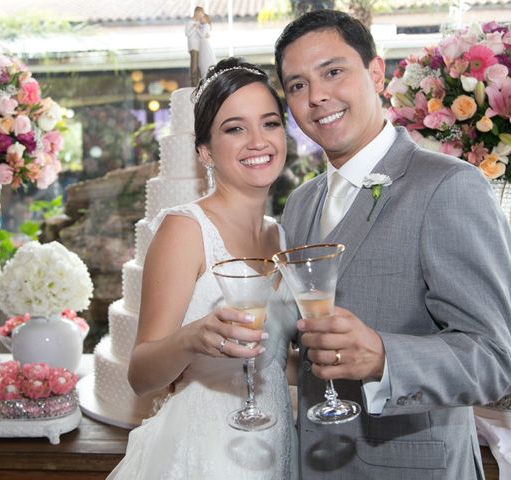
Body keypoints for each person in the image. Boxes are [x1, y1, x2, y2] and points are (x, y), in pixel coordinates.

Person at [274, 9, 511, 479]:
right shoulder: (300, 204)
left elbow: (496, 359)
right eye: (297, 85)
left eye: (333, 72)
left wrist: (384, 357)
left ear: (376, 71)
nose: (317, 96)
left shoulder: (449, 187)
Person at [107, 58, 298, 479]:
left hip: (276, 441)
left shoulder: (282, 237)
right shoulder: (185, 229)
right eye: (235, 128)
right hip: (205, 453)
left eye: (269, 123)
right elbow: (141, 375)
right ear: (205, 151)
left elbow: (276, 360)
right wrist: (192, 339)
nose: (257, 141)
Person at [185, 6, 205, 86]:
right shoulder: (190, 22)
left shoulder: (200, 23)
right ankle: (194, 84)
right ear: (196, 13)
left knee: (200, 66)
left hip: (200, 46)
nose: (200, 17)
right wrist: (194, 28)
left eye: (201, 15)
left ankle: (200, 83)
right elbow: (187, 34)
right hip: (193, 47)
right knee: (194, 66)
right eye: (199, 15)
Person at [198, 12, 217, 80]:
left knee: (205, 59)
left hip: (204, 44)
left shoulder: (206, 25)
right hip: (202, 43)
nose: (200, 19)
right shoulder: (203, 26)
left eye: (202, 18)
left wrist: (196, 29)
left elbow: (202, 35)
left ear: (206, 19)